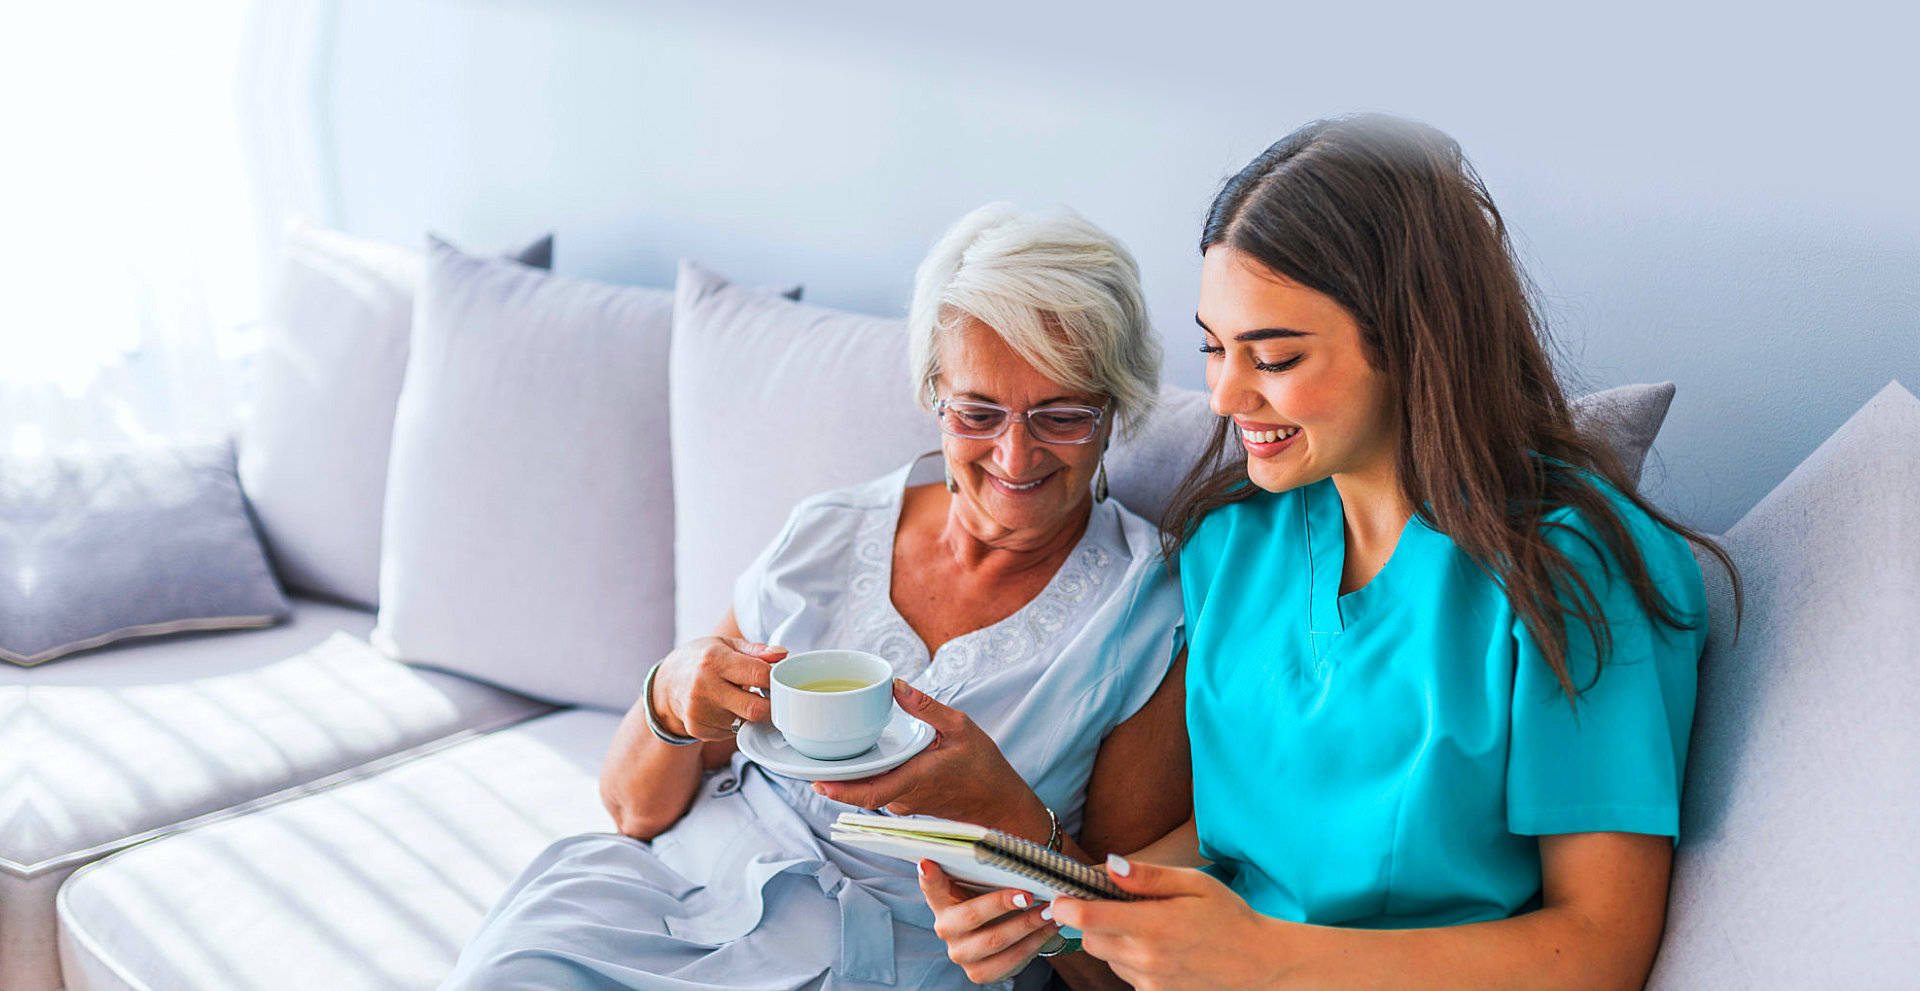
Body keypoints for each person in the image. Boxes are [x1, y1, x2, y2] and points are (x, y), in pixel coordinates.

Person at [922, 114, 1740, 991]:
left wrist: (1270, 961)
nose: (1226, 394)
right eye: (1213, 346)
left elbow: (1598, 946)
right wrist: (1061, 917)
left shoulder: (1570, 571)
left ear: (1410, 341)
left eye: (1271, 355)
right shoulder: (1232, 546)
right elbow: (1231, 845)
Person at [437, 202, 1191, 991]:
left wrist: (1009, 819)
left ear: (1114, 412)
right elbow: (633, 813)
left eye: (1062, 415)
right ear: (935, 396)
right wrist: (669, 693)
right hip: (681, 900)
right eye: (977, 412)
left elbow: (1122, 973)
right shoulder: (830, 532)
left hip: (887, 959)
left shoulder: (1145, 615)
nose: (1015, 452)